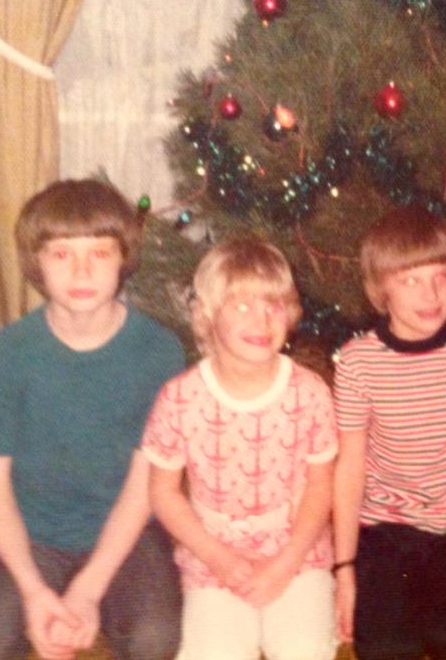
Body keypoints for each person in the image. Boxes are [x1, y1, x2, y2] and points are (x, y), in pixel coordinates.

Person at [0, 179, 185, 660]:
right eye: (62, 254)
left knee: (155, 638)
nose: (82, 270)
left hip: (128, 534)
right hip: (33, 534)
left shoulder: (158, 352)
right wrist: (34, 593)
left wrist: (88, 590)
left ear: (123, 258)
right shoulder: (4, 354)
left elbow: (145, 485)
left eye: (99, 253)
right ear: (36, 262)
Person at [332, 206, 446, 660]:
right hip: (387, 525)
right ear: (381, 289)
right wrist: (344, 567)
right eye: (410, 280)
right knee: (385, 648)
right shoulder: (357, 363)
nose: (430, 293)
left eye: (440, 277)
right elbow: (350, 470)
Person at [142, 238, 337, 660]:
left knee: (304, 649)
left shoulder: (310, 392)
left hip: (296, 551)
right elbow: (163, 492)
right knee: (215, 652)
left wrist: (285, 564)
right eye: (242, 306)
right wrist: (219, 558)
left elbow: (321, 485)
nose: (261, 320)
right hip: (213, 553)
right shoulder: (180, 398)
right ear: (208, 316)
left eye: (273, 305)